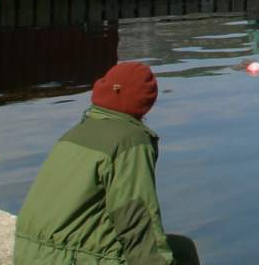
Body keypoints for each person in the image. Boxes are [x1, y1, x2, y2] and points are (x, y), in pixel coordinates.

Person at [13, 62, 200, 264]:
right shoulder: (130, 141)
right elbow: (136, 220)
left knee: (179, 248)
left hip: (28, 253)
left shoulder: (75, 133)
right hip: (67, 259)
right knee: (182, 252)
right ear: (146, 102)